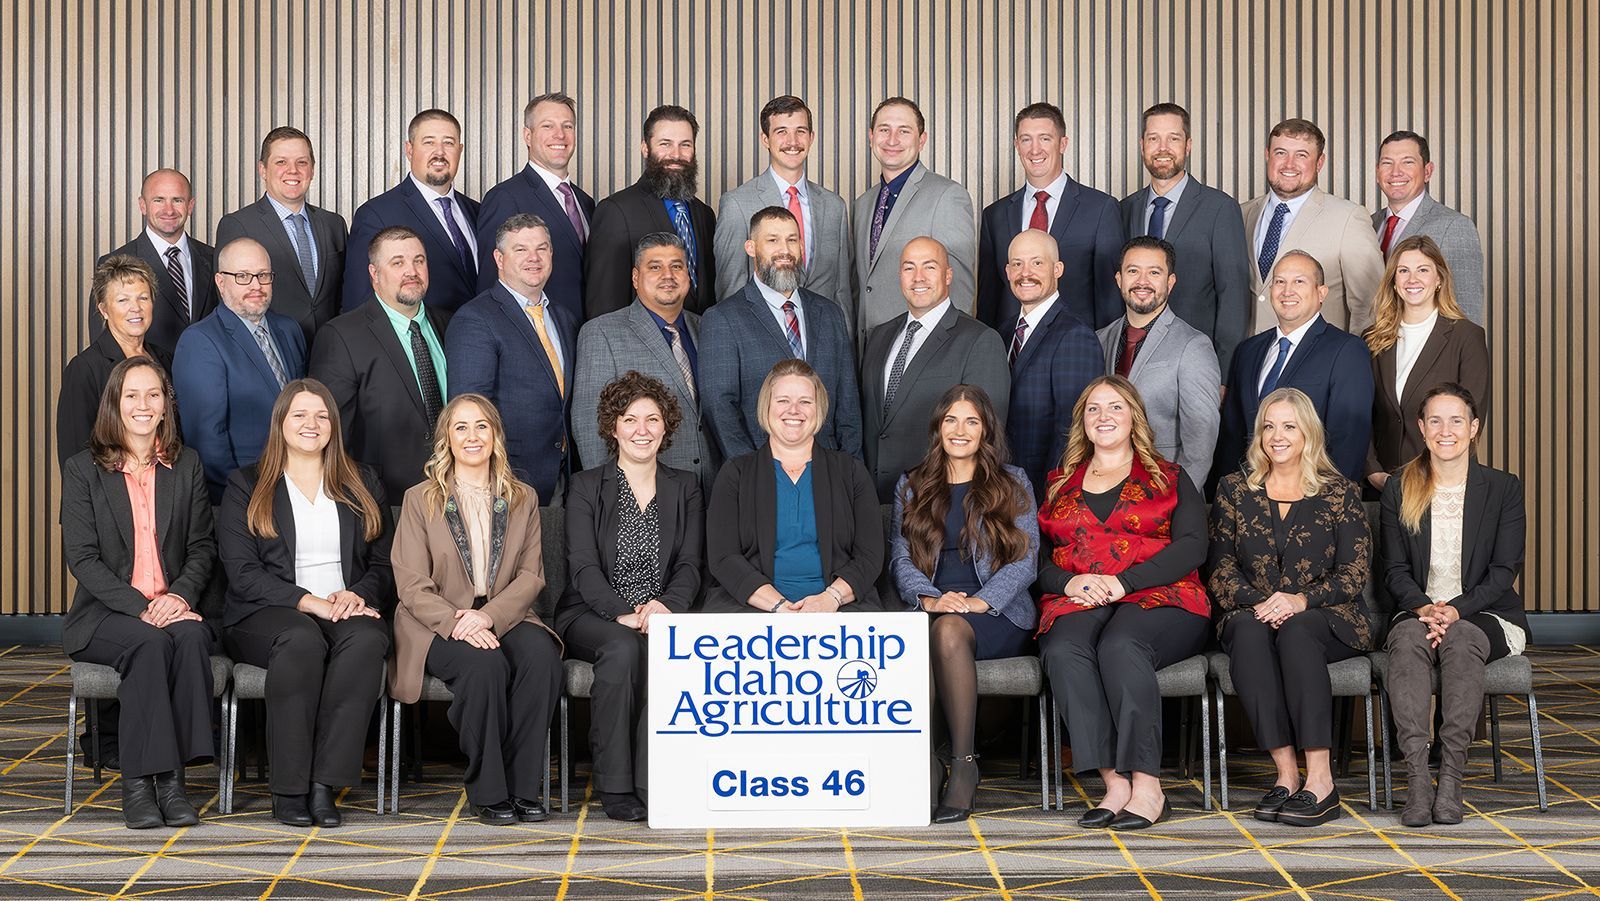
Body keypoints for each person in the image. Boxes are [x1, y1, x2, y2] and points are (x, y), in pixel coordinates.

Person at [1035, 376, 1211, 832]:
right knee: (1062, 650)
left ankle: (1149, 786)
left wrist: (1124, 582)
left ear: (1134, 417)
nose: (1104, 417)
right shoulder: (1059, 484)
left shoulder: (1170, 477)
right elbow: (1033, 561)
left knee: (1120, 645)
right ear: (1083, 423)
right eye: (1094, 409)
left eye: (1115, 407)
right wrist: (1070, 582)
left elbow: (1192, 546)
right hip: (1081, 597)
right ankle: (1114, 784)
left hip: (1163, 597)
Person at [217, 379, 392, 828]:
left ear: (333, 424)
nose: (311, 424)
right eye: (299, 415)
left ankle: (324, 785)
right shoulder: (247, 484)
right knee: (300, 640)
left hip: (345, 605)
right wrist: (307, 601)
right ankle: (290, 788)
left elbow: (386, 563)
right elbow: (242, 573)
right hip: (268, 613)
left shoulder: (362, 480)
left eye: (321, 415)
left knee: (369, 640)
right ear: (280, 423)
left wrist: (359, 594)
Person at [390, 393, 563, 825]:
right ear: (446, 438)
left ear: (496, 435)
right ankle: (489, 791)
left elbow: (531, 576)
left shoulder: (521, 498)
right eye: (461, 427)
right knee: (484, 666)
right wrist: (458, 622)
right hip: (435, 619)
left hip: (505, 612)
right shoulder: (420, 498)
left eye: (482, 426)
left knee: (542, 659)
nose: (472, 436)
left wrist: (488, 616)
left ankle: (524, 789)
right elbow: (411, 584)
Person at [1208, 387, 1375, 827]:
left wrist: (1300, 600)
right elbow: (1220, 567)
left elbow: (1353, 574)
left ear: (1308, 433)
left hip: (1328, 618)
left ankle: (1321, 780)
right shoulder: (1233, 489)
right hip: (1253, 613)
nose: (1276, 436)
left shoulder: (1339, 493)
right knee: (1246, 631)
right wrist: (1263, 603)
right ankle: (1285, 774)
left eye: (1288, 426)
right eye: (1268, 426)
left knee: (1299, 631)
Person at [61, 358, 215, 829]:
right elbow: (82, 559)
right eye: (131, 395)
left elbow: (202, 546)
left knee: (190, 640)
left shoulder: (185, 464)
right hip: (105, 615)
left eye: (153, 395)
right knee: (149, 643)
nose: (143, 405)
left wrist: (180, 598)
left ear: (167, 404)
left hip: (172, 607)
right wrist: (144, 608)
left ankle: (173, 785)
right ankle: (140, 784)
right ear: (115, 404)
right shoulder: (83, 469)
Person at [555, 373, 704, 822]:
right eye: (630, 419)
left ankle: (655, 782)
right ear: (612, 427)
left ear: (666, 427)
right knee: (621, 649)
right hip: (591, 612)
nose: (643, 429)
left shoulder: (686, 486)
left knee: (665, 650)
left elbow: (691, 565)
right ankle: (616, 787)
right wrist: (622, 613)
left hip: (663, 612)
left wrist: (664, 607)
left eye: (653, 419)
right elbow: (582, 566)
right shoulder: (586, 486)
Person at [1380, 384, 1527, 827]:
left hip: (1487, 613)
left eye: (1457, 420)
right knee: (1405, 641)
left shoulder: (1503, 488)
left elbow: (1504, 571)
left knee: (1461, 639)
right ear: (1422, 429)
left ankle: (1453, 777)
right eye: (1436, 421)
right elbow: (1395, 571)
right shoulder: (1399, 487)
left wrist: (1455, 611)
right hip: (1419, 610)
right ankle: (1419, 780)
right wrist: (1425, 608)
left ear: (1474, 428)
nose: (1447, 431)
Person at [889, 385, 1037, 823]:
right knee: (930, 632)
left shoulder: (1013, 482)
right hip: (932, 609)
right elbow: (899, 556)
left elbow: (1026, 561)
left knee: (949, 631)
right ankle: (927, 762)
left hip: (997, 613)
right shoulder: (912, 485)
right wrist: (932, 599)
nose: (960, 429)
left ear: (985, 430)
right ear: (938, 427)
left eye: (971, 420)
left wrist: (978, 602)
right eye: (951, 419)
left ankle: (963, 765)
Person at [702, 359, 883, 613]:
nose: (794, 410)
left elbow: (871, 555)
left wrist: (830, 598)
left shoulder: (851, 472)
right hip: (753, 607)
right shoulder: (736, 473)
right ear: (766, 407)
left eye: (805, 402)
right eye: (783, 400)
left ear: (819, 409)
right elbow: (723, 557)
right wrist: (777, 606)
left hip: (837, 606)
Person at [700, 207, 862, 460]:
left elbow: (848, 404)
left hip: (828, 469)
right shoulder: (723, 318)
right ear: (751, 248)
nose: (784, 250)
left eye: (792, 240)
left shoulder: (830, 314)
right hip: (759, 470)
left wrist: (850, 472)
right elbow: (720, 409)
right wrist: (753, 472)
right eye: (772, 240)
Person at [862, 237, 1010, 502]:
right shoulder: (879, 336)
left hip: (939, 503)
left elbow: (987, 436)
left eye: (929, 267)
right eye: (909, 268)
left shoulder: (979, 340)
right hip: (873, 500)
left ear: (948, 275)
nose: (918, 277)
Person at [572, 233, 720, 490]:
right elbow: (589, 425)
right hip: (646, 494)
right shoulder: (602, 332)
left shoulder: (709, 327)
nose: (668, 275)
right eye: (655, 267)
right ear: (635, 277)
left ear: (688, 275)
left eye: (677, 266)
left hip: (716, 491)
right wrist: (605, 497)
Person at [313, 226, 451, 501]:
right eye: (397, 262)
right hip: (383, 500)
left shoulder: (450, 325)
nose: (411, 271)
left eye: (419, 261)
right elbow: (334, 433)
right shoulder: (341, 336)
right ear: (374, 274)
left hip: (454, 493)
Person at [446, 214, 577, 502]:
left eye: (542, 248)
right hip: (506, 481)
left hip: (562, 477)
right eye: (521, 249)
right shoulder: (476, 319)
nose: (534, 258)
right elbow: (470, 410)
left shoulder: (563, 318)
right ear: (499, 258)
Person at [1216, 251, 1373, 486]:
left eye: (1299, 281)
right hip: (1248, 496)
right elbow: (1231, 434)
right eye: (1279, 281)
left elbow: (1349, 440)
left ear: (1321, 293)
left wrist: (1330, 504)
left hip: (1311, 497)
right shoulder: (1247, 351)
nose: (1287, 291)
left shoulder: (1347, 351)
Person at [172, 238, 309, 503]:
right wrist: (247, 494)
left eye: (263, 275)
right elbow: (207, 438)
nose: (256, 285)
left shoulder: (289, 330)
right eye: (243, 276)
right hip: (242, 495)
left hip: (299, 488)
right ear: (221, 282)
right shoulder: (200, 340)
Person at [1120, 103, 1250, 376]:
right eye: (1154, 138)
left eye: (1173, 138)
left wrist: (1224, 373)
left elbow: (1233, 297)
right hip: (1131, 358)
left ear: (1188, 145)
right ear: (1142, 145)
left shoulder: (1220, 208)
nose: (1163, 148)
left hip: (1194, 362)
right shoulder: (1124, 209)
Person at [978, 101, 1124, 331]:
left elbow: (1110, 299)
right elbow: (988, 303)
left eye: (1045, 138)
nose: (1035, 149)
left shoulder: (1101, 209)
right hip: (1008, 352)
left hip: (1076, 352)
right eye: (1026, 139)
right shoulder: (994, 216)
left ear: (1062, 144)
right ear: (1017, 145)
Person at [1363, 235, 1489, 490]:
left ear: (1439, 279)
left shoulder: (1466, 336)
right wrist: (1373, 471)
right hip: (1383, 486)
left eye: (1423, 270)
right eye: (1403, 271)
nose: (1412, 279)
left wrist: (1431, 476)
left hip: (1441, 482)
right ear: (1394, 282)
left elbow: (1469, 418)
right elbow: (1361, 414)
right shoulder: (1372, 339)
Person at [1097, 237, 1221, 487]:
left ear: (1170, 282)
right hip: (1104, 489)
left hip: (1162, 491)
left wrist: (1179, 502)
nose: (1142, 281)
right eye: (1133, 271)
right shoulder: (1098, 340)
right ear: (1119, 279)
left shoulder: (1193, 346)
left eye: (1154, 272)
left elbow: (1200, 441)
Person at [1241, 118, 1384, 334]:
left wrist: (1353, 361)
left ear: (1319, 162)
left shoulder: (1349, 218)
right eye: (1281, 153)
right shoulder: (1241, 214)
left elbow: (1371, 306)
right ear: (1267, 155)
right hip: (1245, 360)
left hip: (1318, 361)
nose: (1289, 164)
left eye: (1301, 155)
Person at [713, 95, 854, 313]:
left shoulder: (834, 206)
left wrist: (844, 342)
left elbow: (842, 291)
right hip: (763, 339)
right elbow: (730, 290)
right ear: (765, 139)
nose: (793, 141)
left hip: (823, 338)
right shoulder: (736, 204)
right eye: (781, 132)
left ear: (811, 137)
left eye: (801, 131)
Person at [851, 97, 976, 340]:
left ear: (922, 140)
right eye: (884, 130)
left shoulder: (947, 196)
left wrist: (949, 353)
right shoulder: (863, 204)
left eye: (904, 131)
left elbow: (959, 287)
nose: (892, 140)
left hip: (923, 350)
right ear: (871, 136)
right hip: (868, 352)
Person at [215, 126, 348, 344]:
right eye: (281, 162)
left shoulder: (333, 224)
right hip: (273, 351)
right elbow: (228, 302)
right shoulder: (238, 225)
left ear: (312, 170)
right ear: (263, 169)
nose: (293, 170)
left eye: (302, 162)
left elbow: (344, 293)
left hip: (331, 352)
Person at [342, 109, 480, 317]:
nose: (439, 152)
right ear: (409, 150)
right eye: (429, 142)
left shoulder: (478, 211)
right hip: (421, 344)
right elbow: (359, 304)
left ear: (459, 150)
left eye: (448, 143)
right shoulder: (376, 214)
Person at [585, 105, 717, 318]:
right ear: (645, 148)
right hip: (640, 346)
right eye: (665, 144)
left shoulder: (704, 214)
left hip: (699, 342)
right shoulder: (616, 211)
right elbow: (603, 305)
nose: (676, 155)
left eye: (685, 145)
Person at [999, 229, 1101, 504]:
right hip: (999, 489)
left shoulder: (1075, 335)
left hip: (1041, 494)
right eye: (1017, 264)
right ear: (1008, 271)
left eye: (1037, 263)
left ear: (1058, 269)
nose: (1025, 272)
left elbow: (1072, 433)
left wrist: (1048, 499)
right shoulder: (1004, 332)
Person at [475, 92, 594, 323]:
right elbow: (491, 285)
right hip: (536, 337)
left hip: (583, 338)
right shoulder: (505, 198)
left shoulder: (585, 202)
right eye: (548, 126)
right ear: (528, 135)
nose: (560, 134)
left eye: (567, 126)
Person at [59, 255, 175, 468]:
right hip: (112, 493)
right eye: (123, 300)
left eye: (143, 298)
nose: (136, 308)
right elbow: (74, 456)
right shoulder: (85, 368)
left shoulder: (165, 358)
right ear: (103, 309)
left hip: (166, 486)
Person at [89, 168, 217, 350]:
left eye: (177, 200)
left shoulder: (213, 259)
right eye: (159, 200)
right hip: (148, 375)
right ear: (143, 205)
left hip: (208, 375)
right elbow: (104, 346)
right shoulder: (114, 263)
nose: (169, 210)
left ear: (190, 206)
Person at [1373, 131, 1485, 324]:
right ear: (1377, 172)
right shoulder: (1369, 224)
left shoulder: (1455, 226)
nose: (1395, 171)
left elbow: (1467, 310)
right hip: (1372, 345)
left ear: (1427, 171)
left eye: (1407, 162)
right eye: (1387, 163)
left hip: (1430, 351)